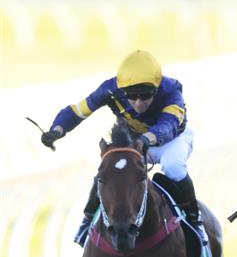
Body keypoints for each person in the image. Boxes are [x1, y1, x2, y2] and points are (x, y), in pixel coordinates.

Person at [41, 50, 202, 246]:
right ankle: (87, 220)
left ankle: (194, 218)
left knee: (173, 166)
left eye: (145, 95)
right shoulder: (109, 89)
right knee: (109, 169)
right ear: (122, 90)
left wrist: (144, 140)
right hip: (137, 141)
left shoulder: (170, 91)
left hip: (173, 140)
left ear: (156, 88)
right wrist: (57, 130)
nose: (138, 102)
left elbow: (167, 126)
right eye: (132, 96)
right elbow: (77, 111)